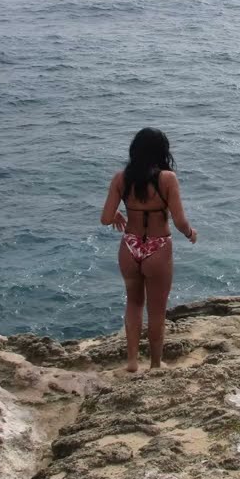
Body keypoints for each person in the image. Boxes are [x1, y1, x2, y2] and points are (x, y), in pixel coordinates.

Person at [101, 127, 198, 372]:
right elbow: (179, 220)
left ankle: (132, 361)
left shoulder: (121, 178)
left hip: (130, 245)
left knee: (133, 303)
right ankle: (155, 364)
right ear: (162, 152)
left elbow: (104, 218)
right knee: (157, 309)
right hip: (158, 247)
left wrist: (117, 216)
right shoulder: (167, 179)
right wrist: (190, 233)